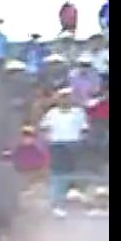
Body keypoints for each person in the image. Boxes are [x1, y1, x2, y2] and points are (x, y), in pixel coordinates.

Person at [39, 87, 87, 217]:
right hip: (58, 145)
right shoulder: (52, 113)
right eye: (63, 97)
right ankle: (57, 203)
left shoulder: (78, 112)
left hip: (74, 145)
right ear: (59, 99)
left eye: (68, 96)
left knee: (74, 173)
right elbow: (45, 128)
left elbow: (84, 129)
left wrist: (79, 141)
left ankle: (74, 203)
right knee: (58, 174)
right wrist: (49, 139)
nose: (66, 99)